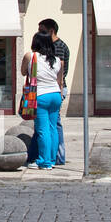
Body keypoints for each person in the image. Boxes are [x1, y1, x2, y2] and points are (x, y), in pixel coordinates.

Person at [23, 31, 64, 169]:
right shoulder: (57, 60)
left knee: (42, 130)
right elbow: (59, 80)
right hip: (55, 95)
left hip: (40, 96)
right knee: (53, 128)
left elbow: (23, 72)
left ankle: (44, 161)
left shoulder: (31, 56)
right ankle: (52, 159)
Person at [39, 19, 71, 165]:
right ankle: (55, 156)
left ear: (51, 31)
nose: (39, 33)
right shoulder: (56, 45)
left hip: (54, 88)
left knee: (53, 124)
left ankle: (56, 156)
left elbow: (59, 71)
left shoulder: (56, 47)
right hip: (55, 89)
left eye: (42, 30)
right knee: (53, 124)